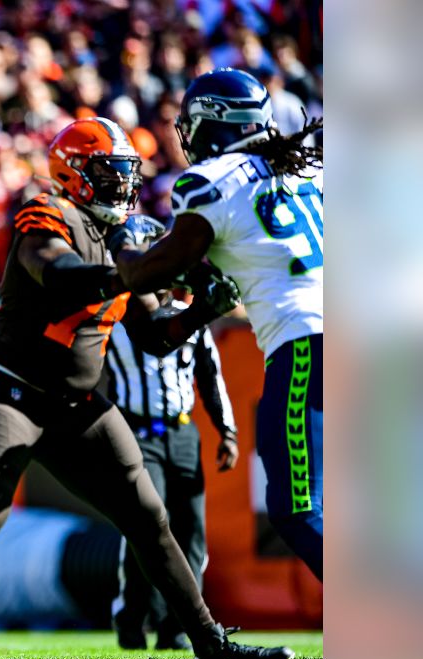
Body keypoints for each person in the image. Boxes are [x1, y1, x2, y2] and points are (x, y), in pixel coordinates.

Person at [0, 118, 294, 659]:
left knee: (149, 517)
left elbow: (156, 334)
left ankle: (209, 642)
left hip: (77, 401)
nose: (122, 185)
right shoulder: (47, 212)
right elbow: (55, 273)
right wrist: (127, 275)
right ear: (76, 174)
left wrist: (202, 310)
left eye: (126, 173)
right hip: (9, 389)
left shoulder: (123, 235)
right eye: (111, 172)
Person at [110, 68, 323, 580]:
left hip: (306, 344)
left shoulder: (210, 182)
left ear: (213, 122)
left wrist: (119, 241)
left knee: (297, 508)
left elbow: (147, 272)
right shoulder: (308, 171)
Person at [106, 291, 240, 651]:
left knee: (192, 531)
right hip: (136, 432)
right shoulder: (116, 316)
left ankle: (178, 627)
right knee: (148, 523)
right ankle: (133, 615)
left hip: (182, 432)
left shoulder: (189, 317)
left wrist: (227, 432)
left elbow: (210, 374)